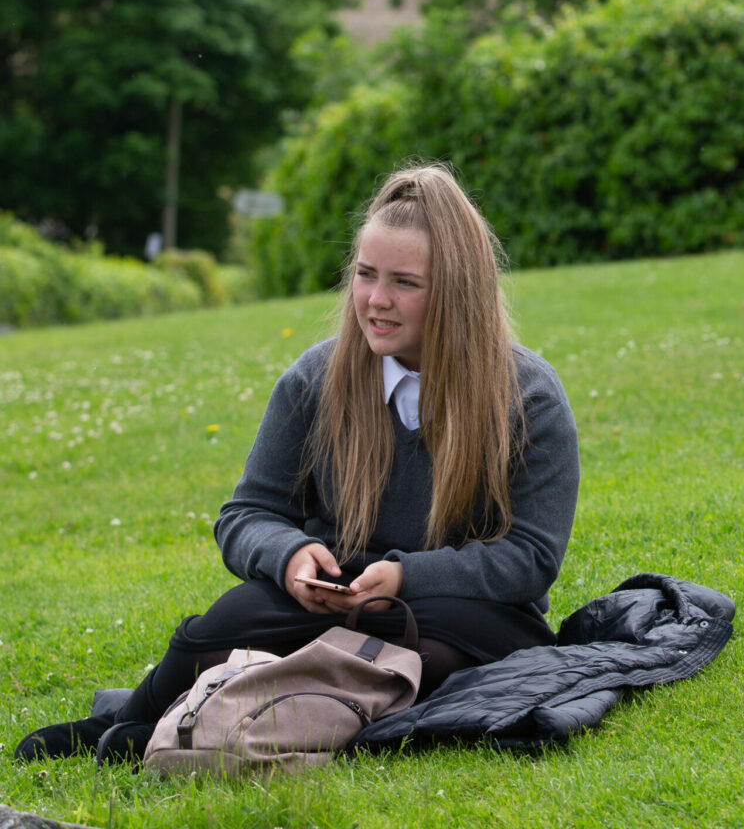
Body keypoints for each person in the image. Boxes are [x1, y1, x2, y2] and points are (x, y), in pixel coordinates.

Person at [16, 164, 580, 762]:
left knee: (429, 665)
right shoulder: (314, 379)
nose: (376, 300)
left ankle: (267, 703)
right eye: (365, 275)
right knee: (222, 624)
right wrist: (288, 559)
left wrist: (405, 578)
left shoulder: (528, 398)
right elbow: (247, 514)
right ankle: (133, 722)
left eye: (405, 283)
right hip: (334, 591)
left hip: (467, 615)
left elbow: (531, 558)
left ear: (457, 290)